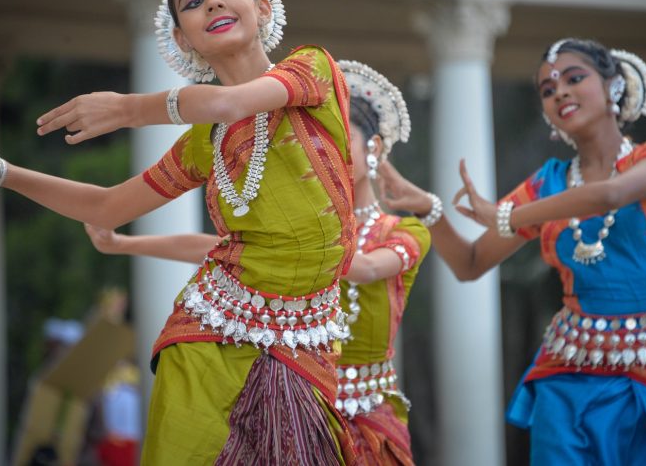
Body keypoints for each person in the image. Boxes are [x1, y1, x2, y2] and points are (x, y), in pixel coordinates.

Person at [0, 0, 357, 465]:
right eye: (194, 0)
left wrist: (126, 108)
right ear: (184, 38)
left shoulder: (312, 70)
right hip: (209, 333)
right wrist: (5, 173)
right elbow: (107, 206)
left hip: (307, 341)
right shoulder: (204, 141)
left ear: (263, 9)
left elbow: (229, 102)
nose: (213, 0)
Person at [84, 60, 433, 465]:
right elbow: (214, 247)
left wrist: (295, 241)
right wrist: (127, 243)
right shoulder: (295, 230)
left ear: (372, 149)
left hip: (370, 419)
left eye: (341, 139)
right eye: (320, 141)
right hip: (306, 392)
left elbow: (369, 269)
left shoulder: (404, 232)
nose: (328, 150)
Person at [378, 38, 646, 464]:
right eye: (547, 89)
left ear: (614, 85)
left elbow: (612, 195)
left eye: (574, 78)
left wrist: (506, 216)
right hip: (567, 376)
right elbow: (470, 263)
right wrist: (430, 210)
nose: (559, 91)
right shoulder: (548, 185)